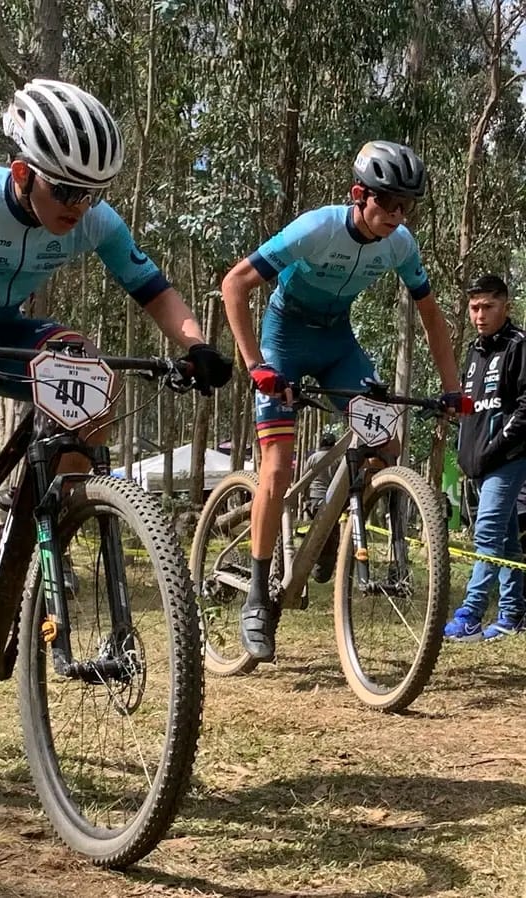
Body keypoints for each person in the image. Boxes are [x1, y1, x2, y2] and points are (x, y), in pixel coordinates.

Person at [0, 79, 232, 753]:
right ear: (24, 173)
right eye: (66, 192)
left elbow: (155, 291)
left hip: (0, 331)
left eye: (94, 194)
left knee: (86, 369)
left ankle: (13, 525)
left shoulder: (92, 219)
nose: (80, 208)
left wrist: (196, 343)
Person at [222, 140, 465, 663]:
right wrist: (256, 367)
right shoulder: (317, 227)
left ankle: (333, 521)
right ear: (360, 194)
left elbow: (432, 316)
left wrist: (452, 388)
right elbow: (235, 285)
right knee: (277, 468)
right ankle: (259, 598)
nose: (398, 216)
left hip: (338, 346)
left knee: (387, 443)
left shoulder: (401, 245)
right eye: (389, 203)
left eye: (407, 207)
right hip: (284, 339)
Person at [444, 275, 526, 641]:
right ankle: (513, 614)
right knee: (508, 542)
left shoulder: (518, 345)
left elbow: (524, 409)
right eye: (474, 307)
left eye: (488, 307)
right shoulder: (475, 352)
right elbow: (471, 408)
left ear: (505, 306)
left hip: (508, 458)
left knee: (487, 533)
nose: (479, 315)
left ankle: (471, 614)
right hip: (477, 464)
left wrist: (496, 447)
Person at [302, 431, 339, 583]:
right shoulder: (338, 459)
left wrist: (305, 498)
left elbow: (305, 479)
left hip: (314, 500)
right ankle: (323, 572)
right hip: (331, 502)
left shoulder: (313, 458)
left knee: (314, 534)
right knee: (330, 536)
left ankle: (312, 568)